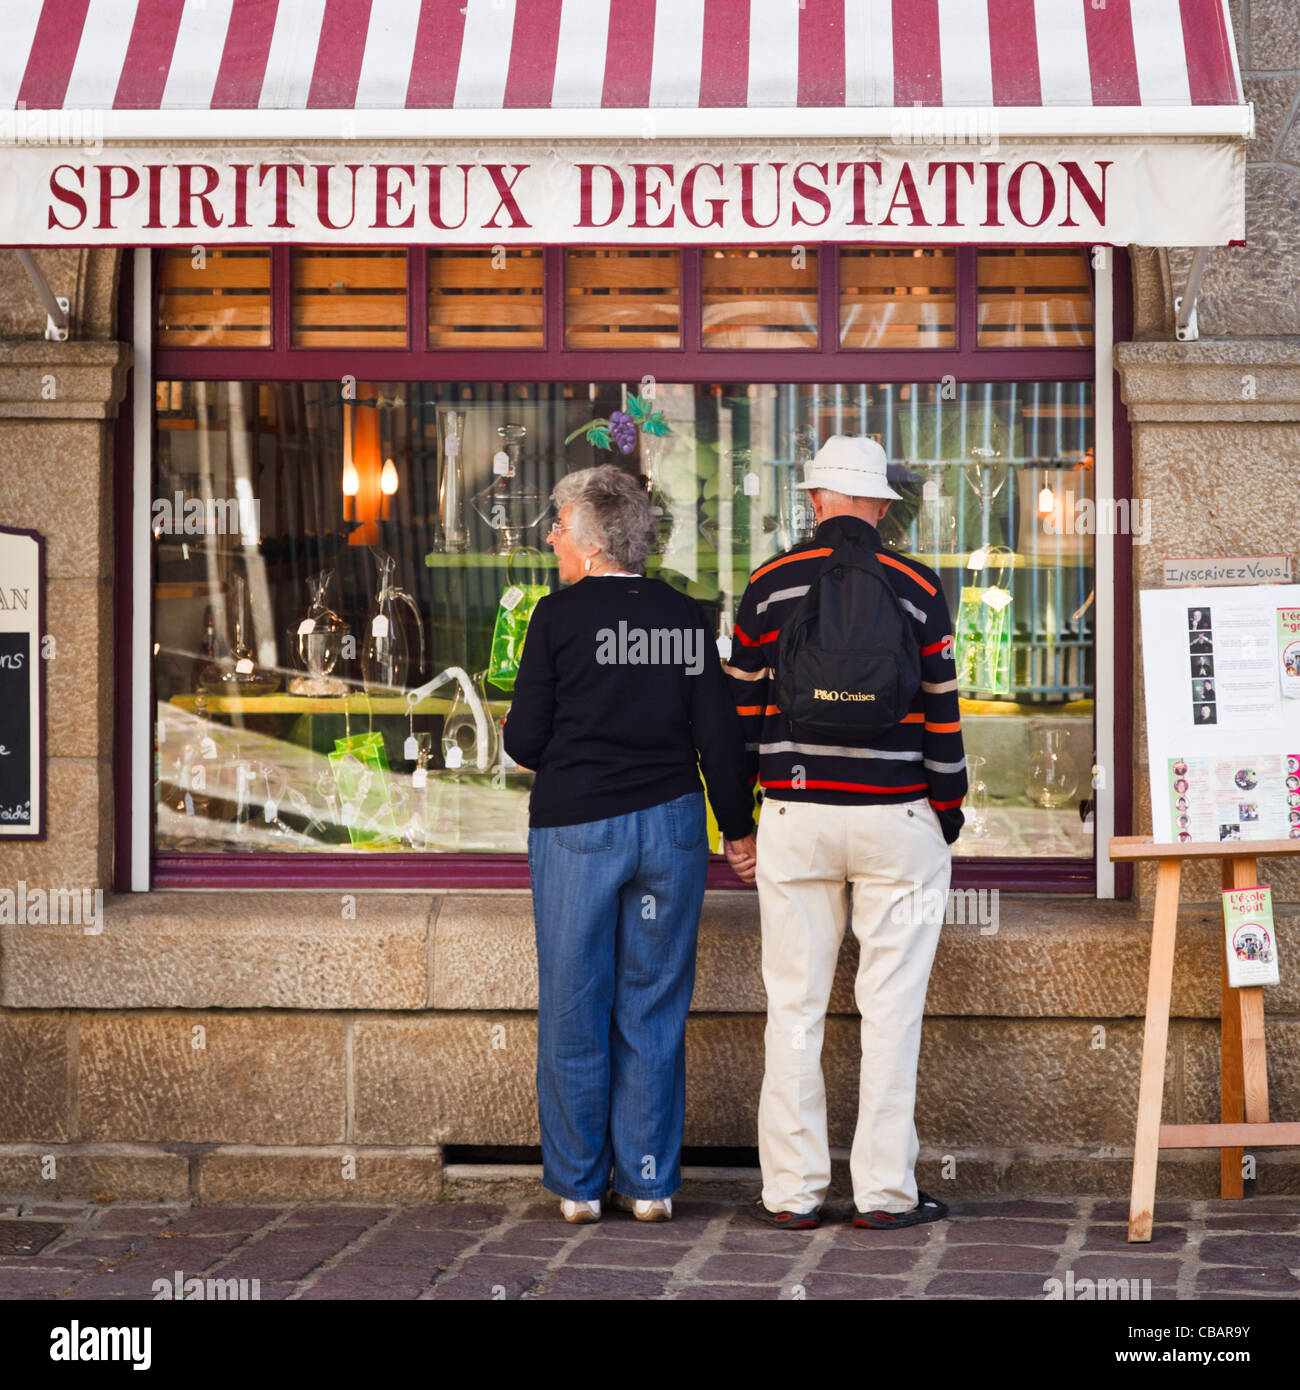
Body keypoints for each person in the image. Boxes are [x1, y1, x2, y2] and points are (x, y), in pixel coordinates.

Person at [723, 435, 966, 1230]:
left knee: (793, 1009)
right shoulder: (918, 583)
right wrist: (945, 809)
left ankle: (792, 1194)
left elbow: (744, 715)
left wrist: (742, 822)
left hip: (797, 818)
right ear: (882, 507)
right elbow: (942, 709)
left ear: (817, 501)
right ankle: (885, 1194)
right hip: (896, 817)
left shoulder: (767, 584)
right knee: (891, 1011)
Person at [503, 465, 756, 1225]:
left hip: (578, 828)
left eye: (557, 525)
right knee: (652, 1006)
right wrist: (737, 831)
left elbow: (523, 740)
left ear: (586, 540)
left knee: (575, 1004)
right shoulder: (685, 617)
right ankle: (649, 1184)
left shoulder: (555, 617)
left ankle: (580, 1187)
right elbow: (720, 734)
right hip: (671, 828)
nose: (550, 536)